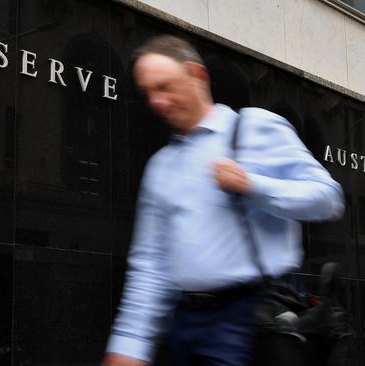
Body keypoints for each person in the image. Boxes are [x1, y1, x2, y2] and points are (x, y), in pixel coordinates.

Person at [102, 34, 345, 366]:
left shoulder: (256, 128)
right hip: (185, 323)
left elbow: (329, 198)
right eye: (148, 93)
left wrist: (252, 185)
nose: (156, 101)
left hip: (252, 318)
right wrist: (130, 344)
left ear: (196, 75)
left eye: (165, 86)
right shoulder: (161, 167)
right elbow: (149, 265)